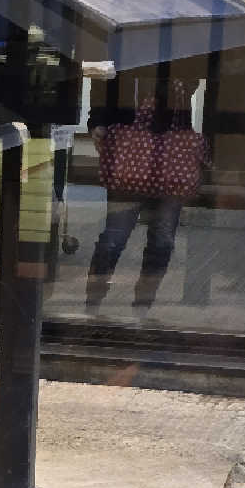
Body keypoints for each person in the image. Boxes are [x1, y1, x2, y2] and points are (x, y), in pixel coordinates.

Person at [86, 73, 205, 313]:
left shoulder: (181, 60)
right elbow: (103, 77)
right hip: (153, 158)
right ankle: (99, 302)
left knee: (157, 241)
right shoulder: (137, 52)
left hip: (151, 158)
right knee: (117, 238)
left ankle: (136, 304)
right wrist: (97, 120)